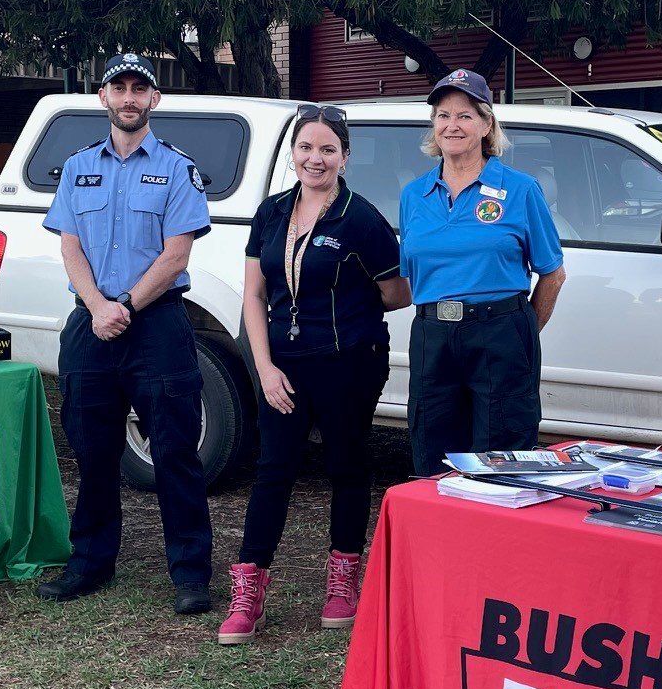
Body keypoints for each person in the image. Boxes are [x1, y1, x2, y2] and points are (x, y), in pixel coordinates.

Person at [220, 105, 409, 645]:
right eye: (306, 148)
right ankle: (249, 591)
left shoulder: (363, 218)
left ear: (344, 157)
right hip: (282, 365)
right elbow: (255, 295)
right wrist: (264, 367)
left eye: (328, 149)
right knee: (273, 469)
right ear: (293, 154)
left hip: (349, 361)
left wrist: (349, 307)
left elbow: (396, 293)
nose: (316, 158)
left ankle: (343, 584)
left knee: (347, 467)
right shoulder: (272, 212)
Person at [37, 54, 217, 615]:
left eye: (141, 88)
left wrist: (125, 306)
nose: (130, 97)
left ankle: (190, 573)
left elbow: (178, 250)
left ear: (154, 100)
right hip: (91, 322)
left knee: (174, 452)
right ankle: (90, 564)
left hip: (155, 323)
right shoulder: (76, 167)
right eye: (120, 87)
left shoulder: (177, 167)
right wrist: (96, 305)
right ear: (103, 97)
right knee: (93, 451)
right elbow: (69, 243)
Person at [398, 69, 566, 476]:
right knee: (432, 457)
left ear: (487, 124)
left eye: (465, 115)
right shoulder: (413, 195)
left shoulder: (520, 190)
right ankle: (439, 540)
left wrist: (518, 331)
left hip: (500, 334)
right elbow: (411, 274)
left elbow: (552, 275)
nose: (452, 125)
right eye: (442, 115)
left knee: (502, 464)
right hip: (433, 337)